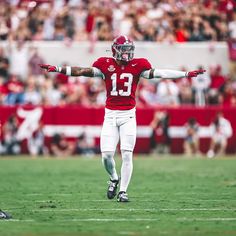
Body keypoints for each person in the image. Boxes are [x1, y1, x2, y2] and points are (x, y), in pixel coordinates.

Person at [40, 35, 205, 202]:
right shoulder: (105, 64)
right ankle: (113, 178)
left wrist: (185, 74)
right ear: (115, 50)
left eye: (129, 50)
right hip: (110, 115)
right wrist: (58, 69)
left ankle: (123, 192)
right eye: (124, 50)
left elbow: (159, 73)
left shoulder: (138, 65)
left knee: (127, 154)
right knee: (106, 155)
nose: (127, 53)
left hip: (128, 115)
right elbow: (82, 71)